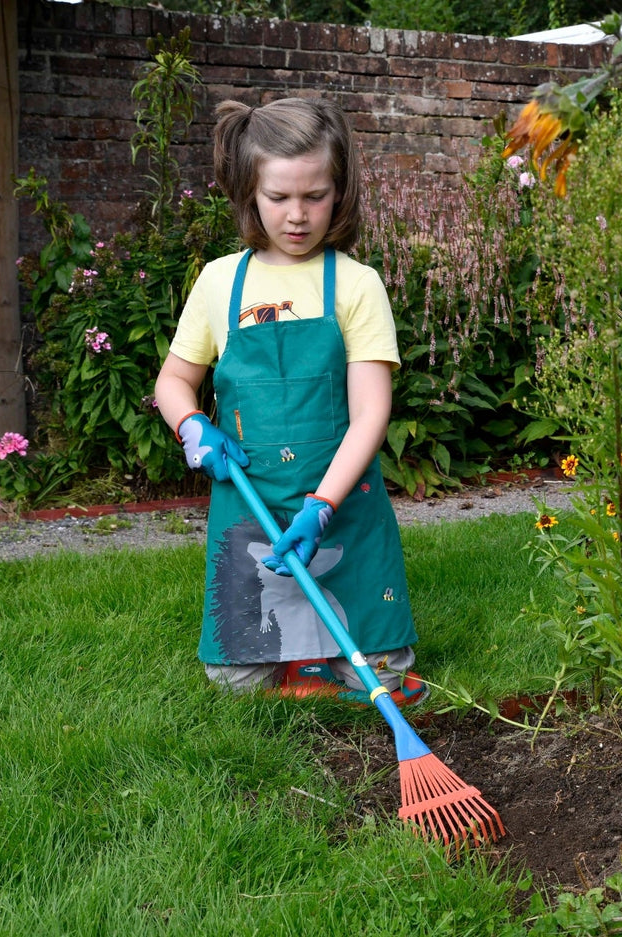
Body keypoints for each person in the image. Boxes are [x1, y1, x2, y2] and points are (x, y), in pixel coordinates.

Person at [154, 97, 425, 705]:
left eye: (315, 196)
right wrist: (192, 426)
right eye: (278, 197)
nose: (297, 215)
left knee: (380, 675)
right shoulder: (220, 280)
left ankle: (326, 660)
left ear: (340, 193)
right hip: (250, 501)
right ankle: (303, 661)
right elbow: (172, 381)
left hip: (339, 504)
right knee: (235, 685)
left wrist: (322, 507)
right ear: (249, 193)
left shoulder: (356, 285)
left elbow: (371, 413)